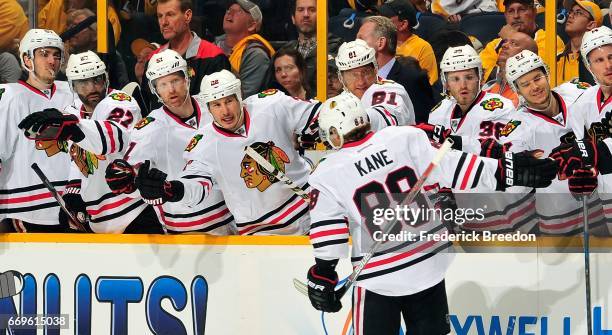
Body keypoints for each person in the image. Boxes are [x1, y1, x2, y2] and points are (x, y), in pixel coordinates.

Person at [304, 92, 557, 335]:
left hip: (377, 276)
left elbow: (330, 234)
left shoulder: (326, 172)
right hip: (428, 262)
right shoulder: (402, 137)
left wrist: (323, 273)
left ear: (335, 133)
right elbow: (456, 168)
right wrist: (508, 172)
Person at [132, 70, 322, 235]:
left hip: (310, 214)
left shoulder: (271, 105)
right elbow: (196, 183)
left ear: (239, 96)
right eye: (216, 105)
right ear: (208, 107)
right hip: (261, 234)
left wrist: (324, 128)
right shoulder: (203, 144)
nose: (225, 112)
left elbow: (318, 114)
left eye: (229, 101)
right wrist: (173, 190)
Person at [105, 50, 233, 234]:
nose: (171, 90)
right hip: (185, 228)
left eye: (175, 81)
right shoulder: (149, 128)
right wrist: (127, 178)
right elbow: (133, 172)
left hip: (230, 218)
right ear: (155, 89)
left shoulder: (212, 107)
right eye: (163, 85)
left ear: (187, 78)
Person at [33, 51, 160, 234]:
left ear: (105, 78)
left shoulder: (121, 102)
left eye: (96, 80)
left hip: (135, 211)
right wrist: (73, 193)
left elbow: (114, 137)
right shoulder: (72, 112)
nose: (92, 88)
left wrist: (74, 129)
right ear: (72, 86)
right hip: (97, 219)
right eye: (83, 83)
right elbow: (78, 158)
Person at [496, 50, 605, 235]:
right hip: (558, 217)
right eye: (525, 84)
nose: (534, 87)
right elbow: (515, 180)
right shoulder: (516, 130)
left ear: (546, 74)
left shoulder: (578, 92)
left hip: (599, 204)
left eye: (537, 78)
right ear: (517, 90)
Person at [0, 29, 74, 232]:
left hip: (73, 207)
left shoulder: (72, 91)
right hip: (27, 210)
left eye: (56, 55)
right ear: (27, 59)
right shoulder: (9, 97)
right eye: (44, 54)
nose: (52, 61)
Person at [554, 26, 612, 229]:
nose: (608, 65)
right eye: (599, 60)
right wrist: (582, 170)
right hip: (603, 200)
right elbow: (582, 150)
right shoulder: (583, 103)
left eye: (611, 57)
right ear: (589, 66)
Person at [142, 0, 230, 110]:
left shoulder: (213, 56)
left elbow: (222, 107)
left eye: (170, 14)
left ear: (187, 16)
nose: (163, 22)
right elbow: (148, 105)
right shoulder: (153, 60)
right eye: (160, 16)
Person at [357, 15, 434, 123]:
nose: (355, 44)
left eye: (360, 39)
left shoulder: (412, 79)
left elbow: (423, 125)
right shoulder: (355, 80)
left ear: (380, 43)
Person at [335, 39, 415, 130]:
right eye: (353, 75)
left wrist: (359, 120)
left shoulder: (391, 89)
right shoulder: (342, 99)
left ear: (375, 70)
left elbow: (388, 117)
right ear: (341, 78)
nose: (361, 82)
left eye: (366, 72)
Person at [479, 0, 565, 84]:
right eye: (511, 11)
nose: (516, 16)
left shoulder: (550, 40)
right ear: (505, 15)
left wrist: (510, 37)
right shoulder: (494, 45)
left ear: (534, 12)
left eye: (522, 9)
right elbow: (481, 77)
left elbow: (538, 73)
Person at [215, 0, 275, 97]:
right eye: (228, 10)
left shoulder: (256, 54)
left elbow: (244, 96)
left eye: (238, 11)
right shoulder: (212, 46)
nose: (229, 12)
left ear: (251, 25)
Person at [283, 0, 343, 95]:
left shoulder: (340, 49)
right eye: (300, 10)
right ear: (293, 18)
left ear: (325, 16)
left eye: (312, 10)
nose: (306, 14)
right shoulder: (284, 52)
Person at [378, 0, 439, 85]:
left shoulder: (422, 47)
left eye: (385, 20)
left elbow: (429, 85)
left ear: (403, 24)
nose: (379, 24)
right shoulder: (380, 44)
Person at [482, 29, 539, 107]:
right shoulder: (487, 89)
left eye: (514, 43)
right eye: (505, 42)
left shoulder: (532, 94)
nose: (504, 45)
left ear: (528, 55)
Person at [557, 0, 603, 85]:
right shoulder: (556, 59)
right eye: (570, 12)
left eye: (578, 13)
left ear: (591, 25)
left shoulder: (600, 60)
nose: (570, 15)